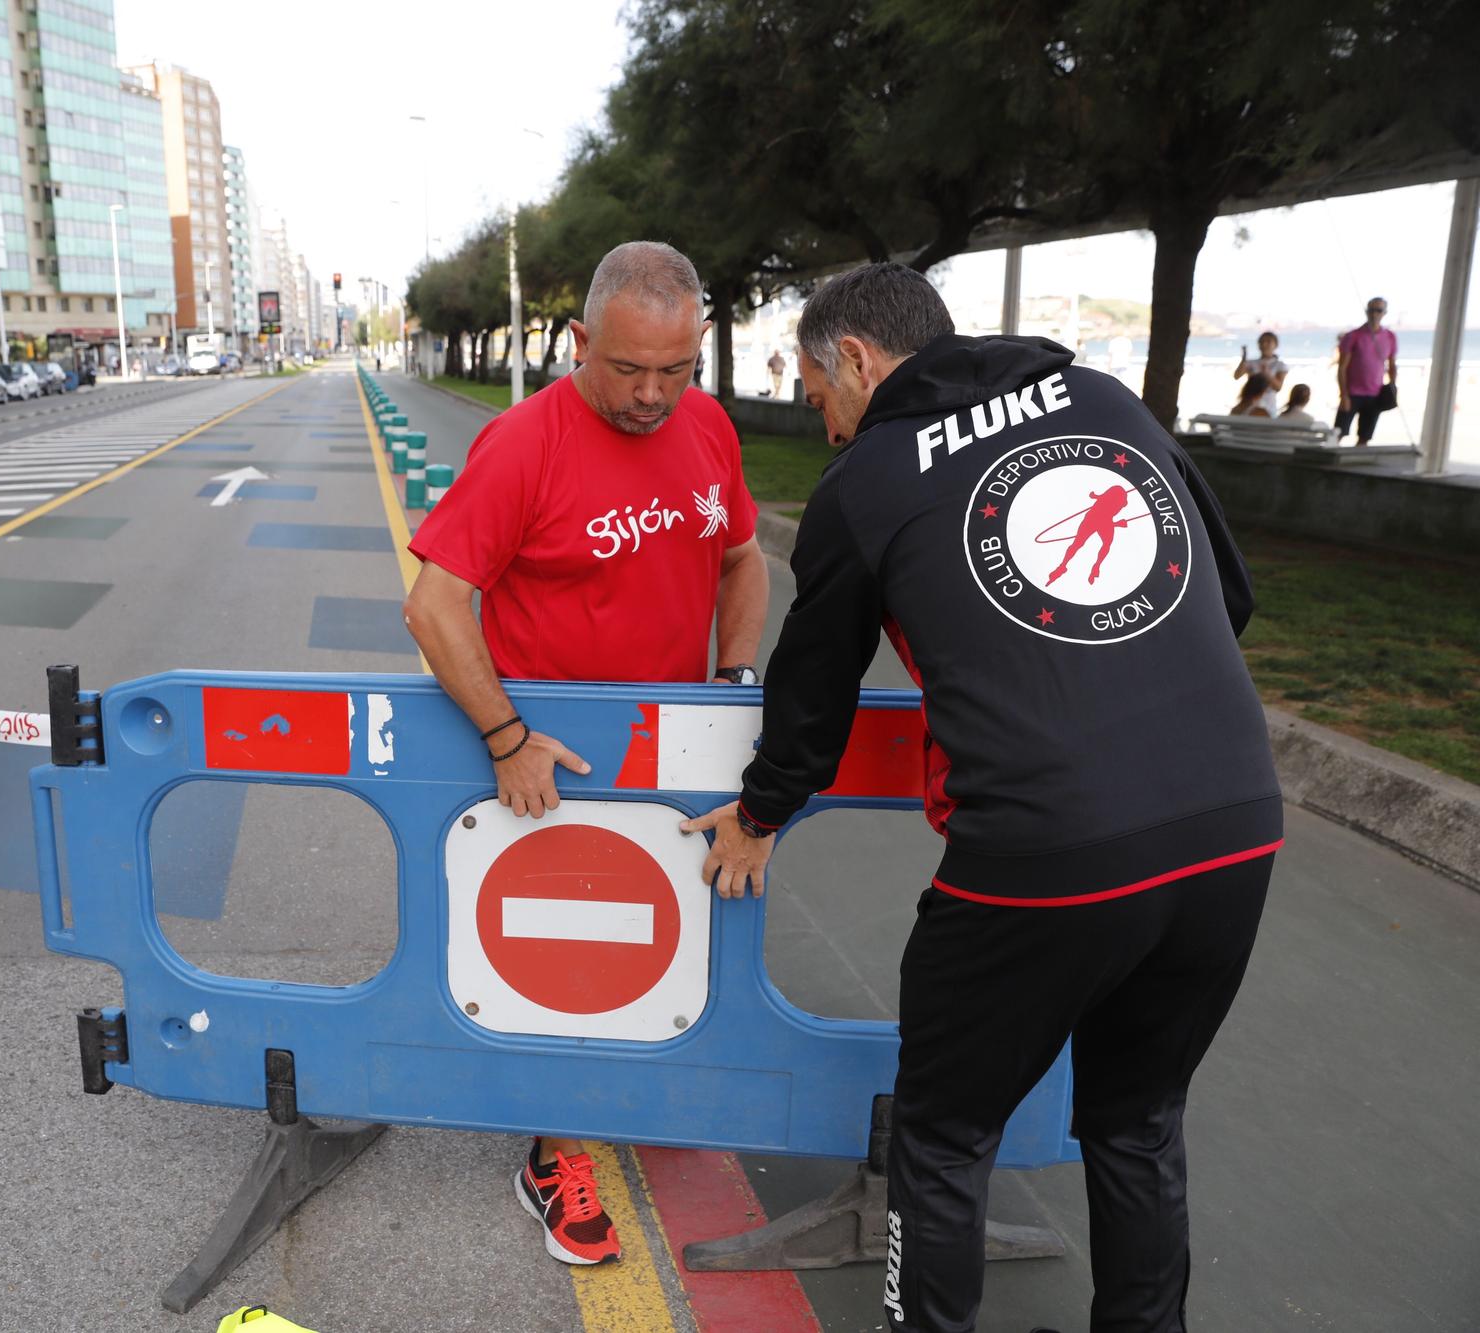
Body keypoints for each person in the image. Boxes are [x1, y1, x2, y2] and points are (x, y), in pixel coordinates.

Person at [685, 263, 1278, 1333]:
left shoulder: (862, 487)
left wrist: (759, 812)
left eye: (819, 397)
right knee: (1137, 1118)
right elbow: (1222, 591)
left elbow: (809, 700)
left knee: (944, 1136)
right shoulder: (1099, 402)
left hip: (1041, 855)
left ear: (856, 360)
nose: (822, 426)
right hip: (1233, 824)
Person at [403, 240, 767, 1268]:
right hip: (558, 767)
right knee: (568, 958)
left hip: (680, 747)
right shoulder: (524, 445)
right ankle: (554, 1152)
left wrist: (735, 690)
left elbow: (739, 559)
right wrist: (505, 736)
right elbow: (433, 605)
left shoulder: (707, 425)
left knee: (676, 941)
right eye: (627, 369)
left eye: (676, 369)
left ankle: (640, 1089)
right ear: (577, 343)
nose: (654, 394)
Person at [1335, 297, 1397, 444]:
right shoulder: (1353, 336)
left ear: (1384, 313)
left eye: (1378, 310)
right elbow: (1342, 368)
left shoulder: (1390, 337)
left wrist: (1392, 387)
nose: (1374, 314)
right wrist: (1344, 394)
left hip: (1375, 394)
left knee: (1365, 436)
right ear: (1367, 311)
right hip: (1352, 393)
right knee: (1338, 433)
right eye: (1371, 310)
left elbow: (1392, 364)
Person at [1233, 331, 1288, 416]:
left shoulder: (1279, 365)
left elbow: (1278, 387)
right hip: (1251, 403)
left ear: (1275, 345)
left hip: (1269, 404)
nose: (1264, 344)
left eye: (1268, 341)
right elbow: (1237, 376)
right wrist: (1243, 359)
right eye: (1261, 342)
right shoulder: (1251, 363)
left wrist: (1267, 374)